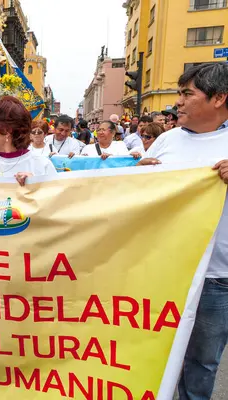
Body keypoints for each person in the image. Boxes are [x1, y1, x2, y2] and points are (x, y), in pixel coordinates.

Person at [137, 63, 228, 399]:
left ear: (219, 98)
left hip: (217, 276)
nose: (178, 102)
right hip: (165, 269)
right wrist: (138, 175)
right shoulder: (166, 141)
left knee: (202, 362)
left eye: (187, 94)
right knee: (154, 350)